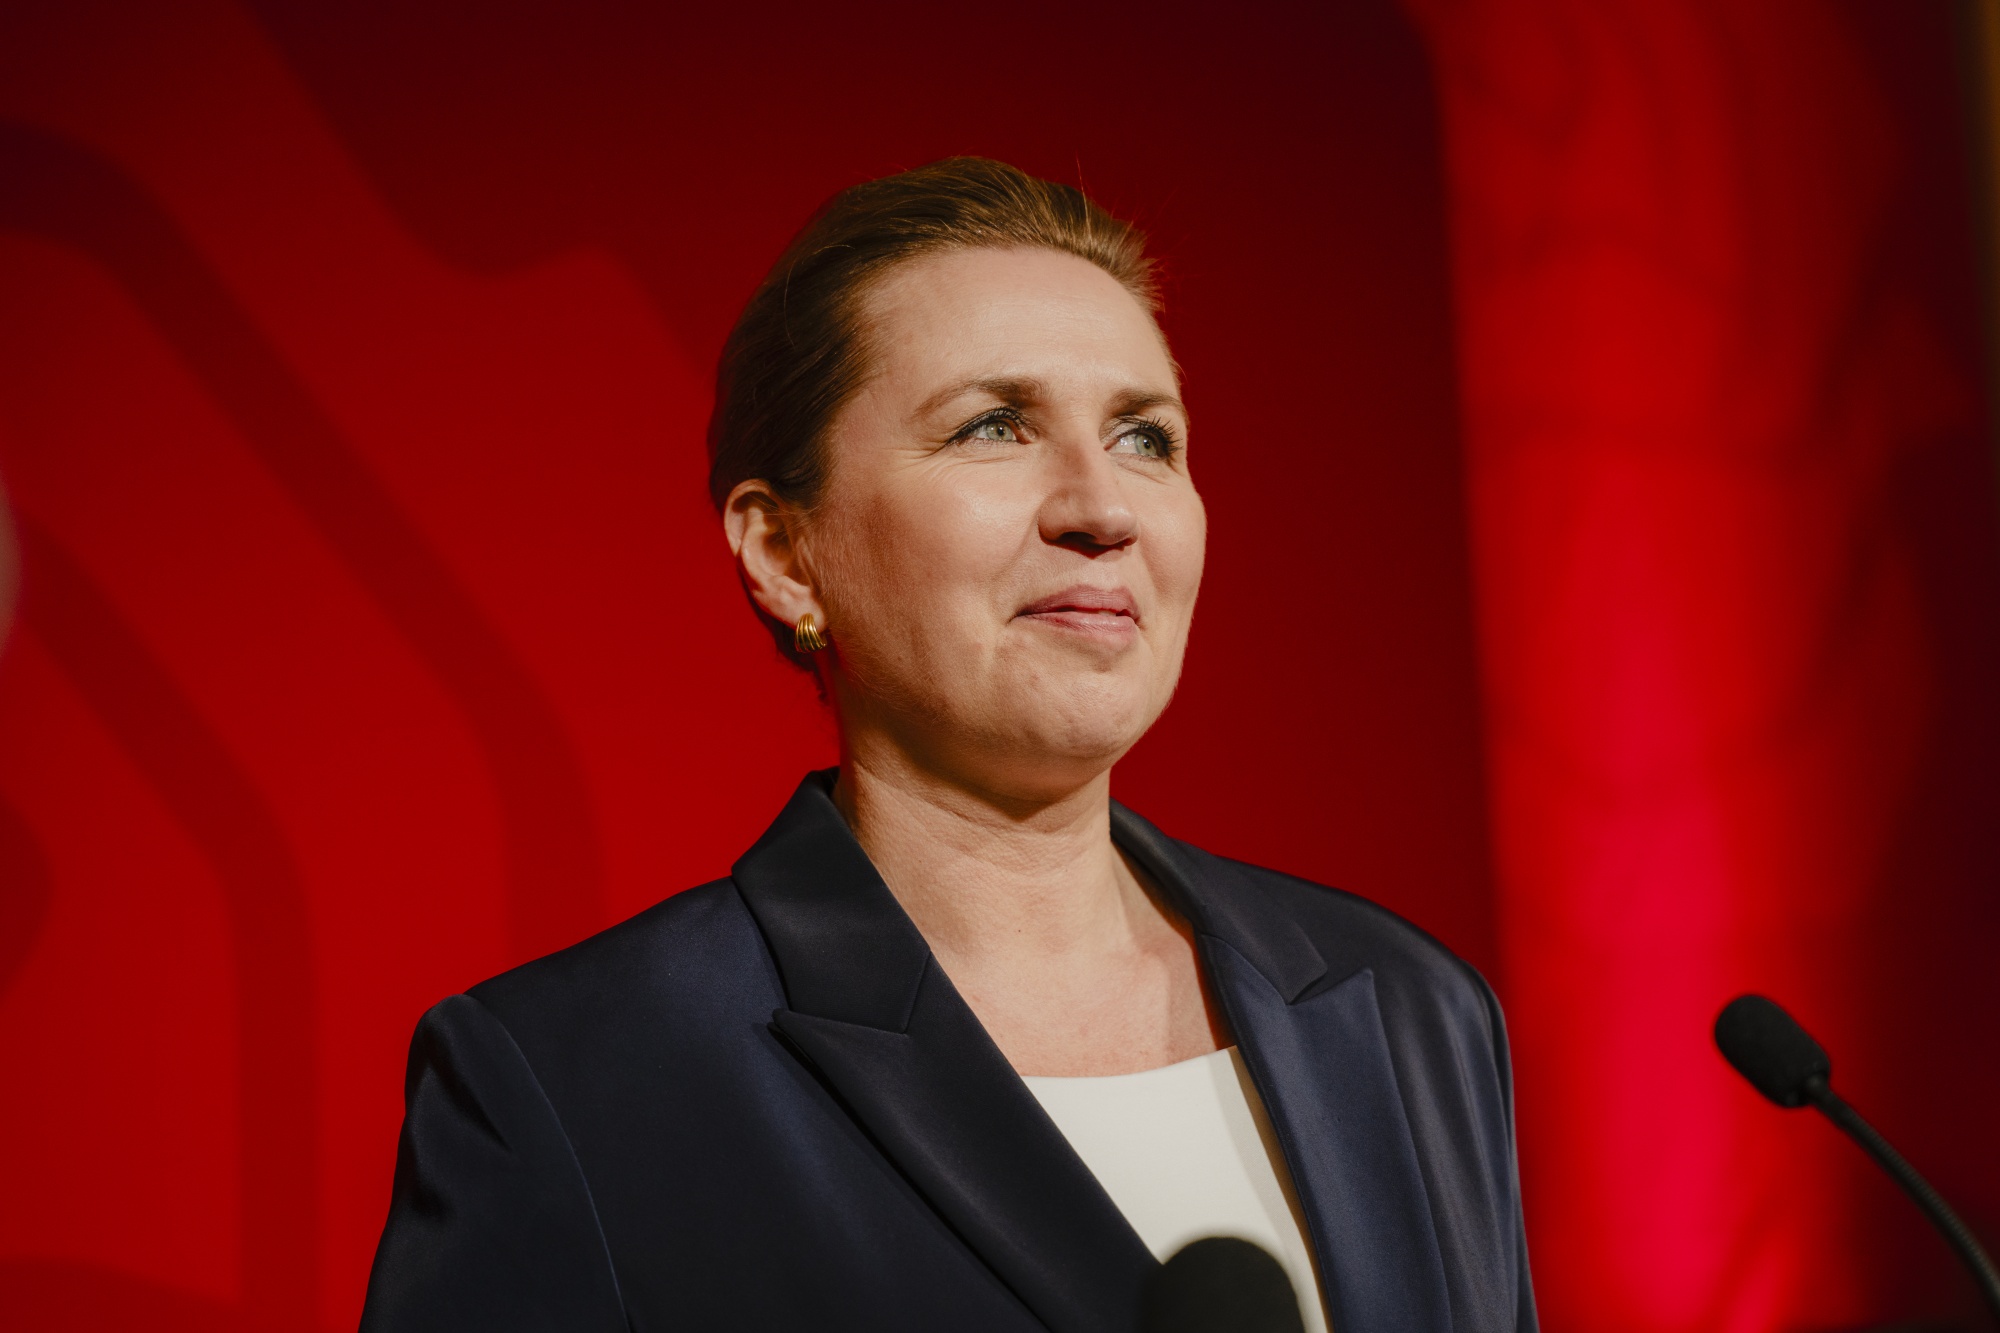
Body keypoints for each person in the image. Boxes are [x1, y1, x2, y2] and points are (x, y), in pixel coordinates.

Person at [360, 158, 1535, 1333]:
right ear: (782, 552)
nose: (1101, 507)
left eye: (1143, 436)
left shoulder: (1410, 1009)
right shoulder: (579, 1081)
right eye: (993, 425)